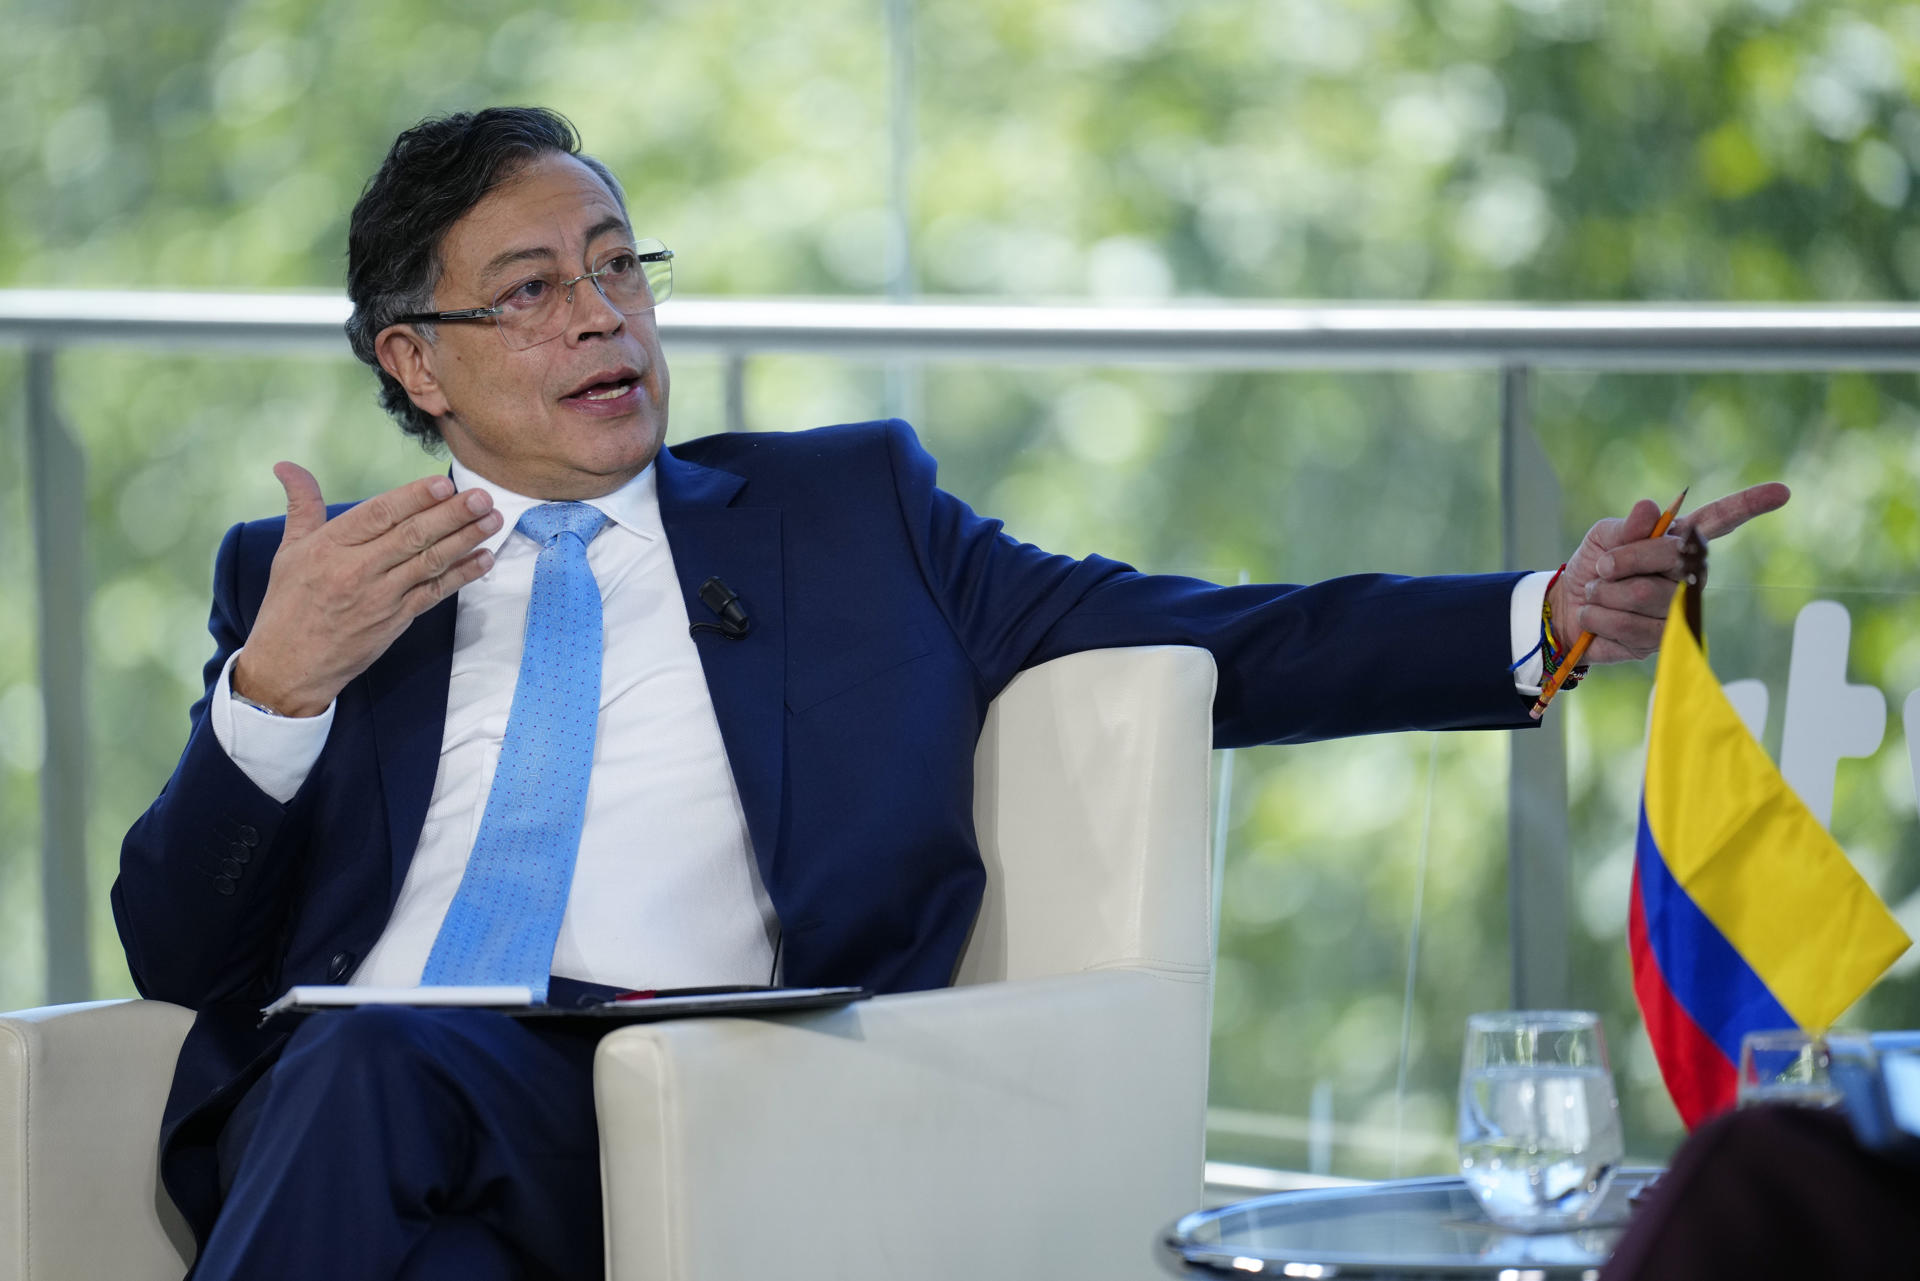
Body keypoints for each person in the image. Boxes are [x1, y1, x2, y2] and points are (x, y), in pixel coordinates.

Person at [112, 107, 1788, 1281]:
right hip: (384, 1131)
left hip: (703, 1090)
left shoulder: (846, 517)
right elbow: (181, 956)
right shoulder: (310, 581)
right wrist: (277, 686)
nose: (603, 315)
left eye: (620, 265)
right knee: (394, 1149)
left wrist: (1540, 611)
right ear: (413, 359)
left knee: (366, 1077)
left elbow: (1208, 634)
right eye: (535, 288)